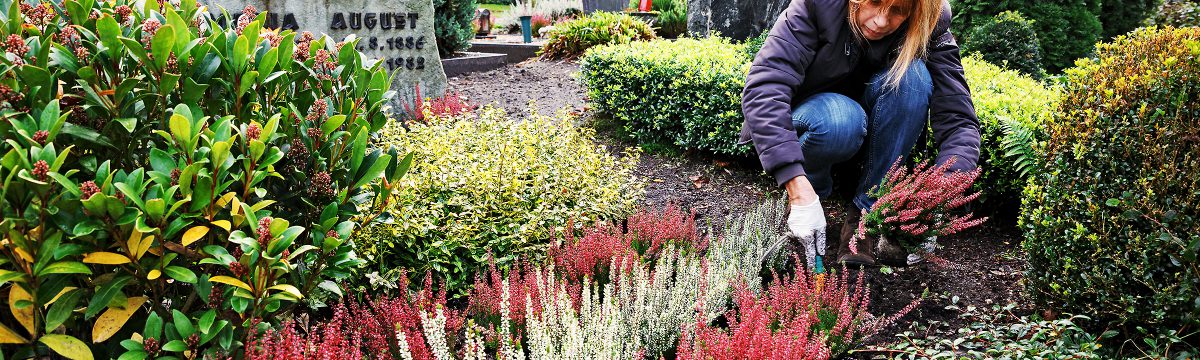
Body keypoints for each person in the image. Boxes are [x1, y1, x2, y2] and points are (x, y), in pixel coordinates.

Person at [739, 0, 981, 270]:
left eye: (898, 11)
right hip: (818, 122)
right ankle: (812, 192)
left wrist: (938, 191)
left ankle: (865, 212)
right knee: (840, 119)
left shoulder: (930, 19)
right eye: (874, 2)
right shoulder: (818, 5)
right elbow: (765, 88)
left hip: (874, 140)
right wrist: (797, 186)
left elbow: (958, 118)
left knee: (912, 80)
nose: (880, 21)